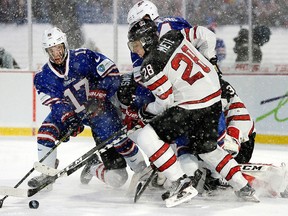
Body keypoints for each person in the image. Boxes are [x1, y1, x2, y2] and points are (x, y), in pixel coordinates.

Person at [127, 18, 259, 207]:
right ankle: (243, 186)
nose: (135, 50)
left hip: (192, 106)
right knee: (207, 148)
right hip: (214, 99)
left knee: (147, 138)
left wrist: (145, 111)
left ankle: (180, 184)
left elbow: (165, 103)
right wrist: (210, 59)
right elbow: (206, 35)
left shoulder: (150, 65)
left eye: (136, 45)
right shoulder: (173, 35)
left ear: (146, 40)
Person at [28, 27, 147, 190]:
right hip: (72, 113)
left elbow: (112, 73)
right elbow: (55, 103)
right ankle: (47, 173)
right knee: (46, 131)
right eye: (51, 50)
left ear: (65, 44)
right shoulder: (43, 77)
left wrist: (97, 95)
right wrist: (68, 117)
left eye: (58, 48)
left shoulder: (83, 57)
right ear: (46, 51)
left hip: (98, 110)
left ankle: (141, 169)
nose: (56, 54)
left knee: (118, 163)